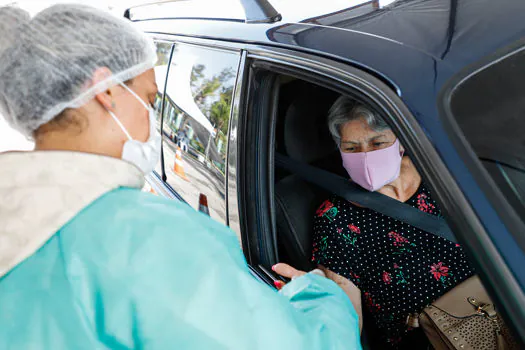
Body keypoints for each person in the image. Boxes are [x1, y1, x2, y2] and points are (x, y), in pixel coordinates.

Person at [0, 5, 361, 349]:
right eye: (149, 100)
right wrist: (329, 300)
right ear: (107, 90)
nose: (153, 123)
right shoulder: (145, 237)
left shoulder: (16, 216)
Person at [310, 97, 475, 348]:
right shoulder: (336, 218)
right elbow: (346, 317)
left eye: (378, 143)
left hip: (502, 307)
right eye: (352, 148)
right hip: (432, 340)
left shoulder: (442, 173)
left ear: (400, 143)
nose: (366, 156)